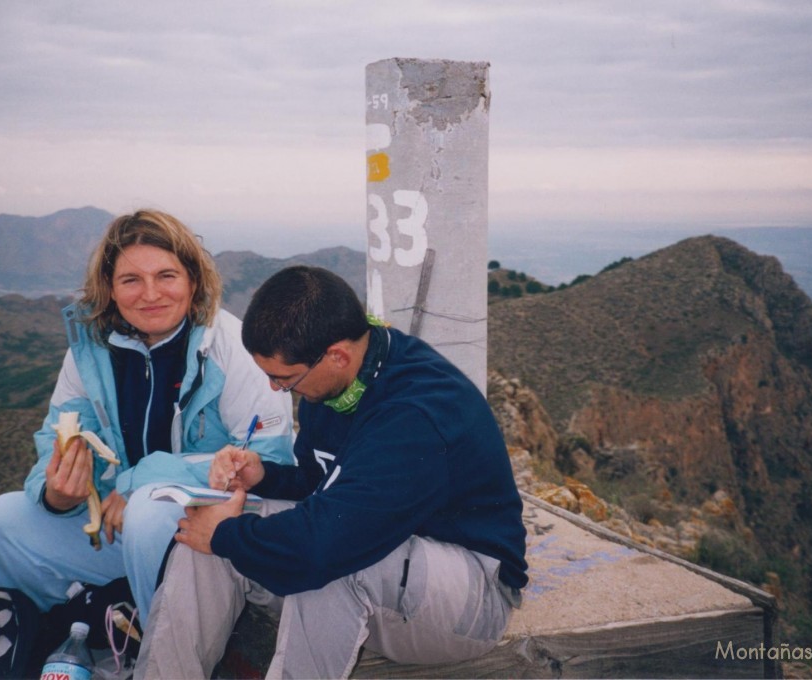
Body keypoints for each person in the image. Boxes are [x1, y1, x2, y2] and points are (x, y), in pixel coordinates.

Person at [135, 265, 528, 679]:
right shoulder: (337, 377)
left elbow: (327, 544)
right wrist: (264, 476)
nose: (275, 390)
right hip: (393, 560)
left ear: (337, 355)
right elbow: (321, 485)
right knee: (203, 544)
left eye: (283, 379)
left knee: (332, 566)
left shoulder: (414, 415)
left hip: (473, 595)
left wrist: (226, 535)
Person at [0, 210, 295, 627]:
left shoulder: (231, 345)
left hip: (215, 532)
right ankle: (70, 636)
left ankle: (161, 653)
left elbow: (267, 459)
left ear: (193, 281)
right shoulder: (89, 351)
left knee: (147, 508)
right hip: (123, 527)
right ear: (109, 288)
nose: (150, 294)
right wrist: (57, 494)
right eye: (131, 280)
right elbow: (57, 436)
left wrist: (138, 483)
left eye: (166, 276)